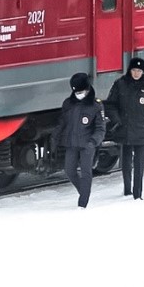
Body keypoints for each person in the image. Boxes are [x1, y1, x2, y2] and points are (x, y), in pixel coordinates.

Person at [105, 57, 144, 200]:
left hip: (142, 130)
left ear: (143, 72)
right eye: (134, 70)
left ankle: (138, 194)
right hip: (124, 129)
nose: (136, 73)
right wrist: (117, 121)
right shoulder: (120, 85)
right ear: (130, 70)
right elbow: (110, 105)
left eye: (139, 71)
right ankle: (127, 189)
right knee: (126, 161)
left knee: (139, 163)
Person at [56, 72, 108, 208]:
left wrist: (93, 142)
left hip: (87, 145)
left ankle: (83, 203)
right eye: (76, 92)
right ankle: (83, 191)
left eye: (82, 91)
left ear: (88, 89)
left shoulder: (96, 105)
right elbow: (63, 123)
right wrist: (55, 137)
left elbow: (100, 128)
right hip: (71, 143)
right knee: (69, 170)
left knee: (86, 172)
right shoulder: (68, 104)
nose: (79, 94)